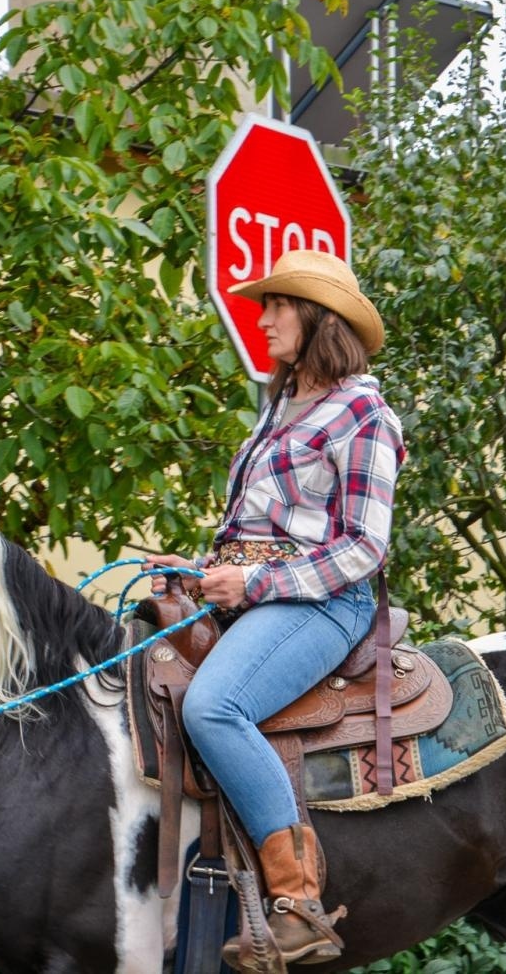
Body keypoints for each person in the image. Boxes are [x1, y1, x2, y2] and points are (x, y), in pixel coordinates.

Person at [143, 248, 404, 966]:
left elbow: (362, 549)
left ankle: (297, 902)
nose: (261, 321)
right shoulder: (278, 411)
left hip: (329, 605)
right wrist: (201, 572)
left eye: (276, 306)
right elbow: (261, 535)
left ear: (318, 318)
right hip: (258, 597)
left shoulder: (364, 414)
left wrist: (249, 586)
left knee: (212, 707)